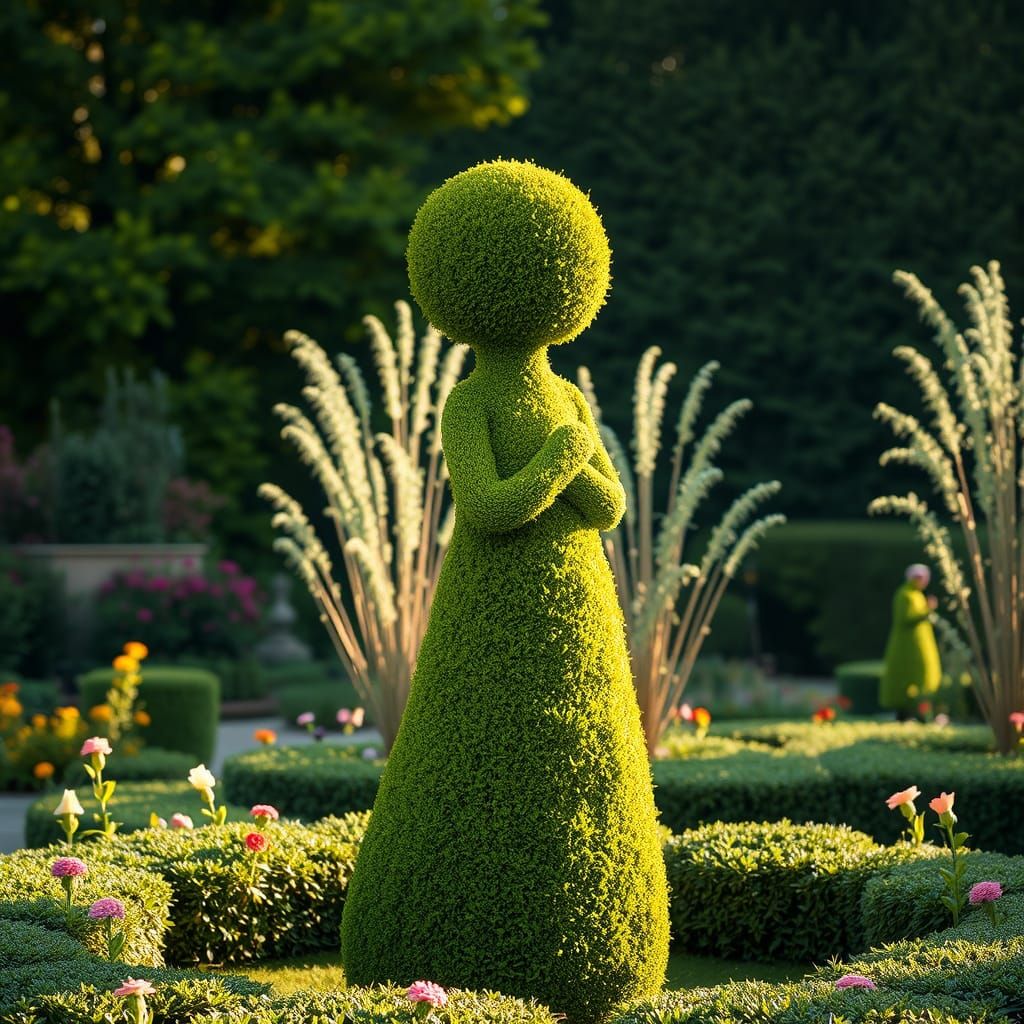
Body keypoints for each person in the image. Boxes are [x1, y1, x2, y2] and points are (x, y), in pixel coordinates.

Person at [880, 564, 941, 719]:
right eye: (918, 577)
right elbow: (904, 618)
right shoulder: (904, 594)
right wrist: (927, 610)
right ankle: (905, 712)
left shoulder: (917, 595)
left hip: (920, 643)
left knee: (922, 676)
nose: (921, 580)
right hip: (905, 645)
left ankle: (922, 711)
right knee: (905, 676)